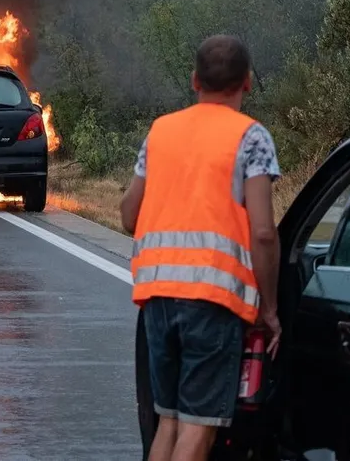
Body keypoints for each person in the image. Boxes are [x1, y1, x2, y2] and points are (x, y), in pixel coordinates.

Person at [119, 35, 281, 461]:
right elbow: (264, 233)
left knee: (168, 421)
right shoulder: (252, 138)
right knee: (198, 428)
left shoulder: (160, 132)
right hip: (212, 300)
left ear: (194, 81)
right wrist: (269, 309)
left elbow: (128, 214)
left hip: (156, 297)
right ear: (247, 83)